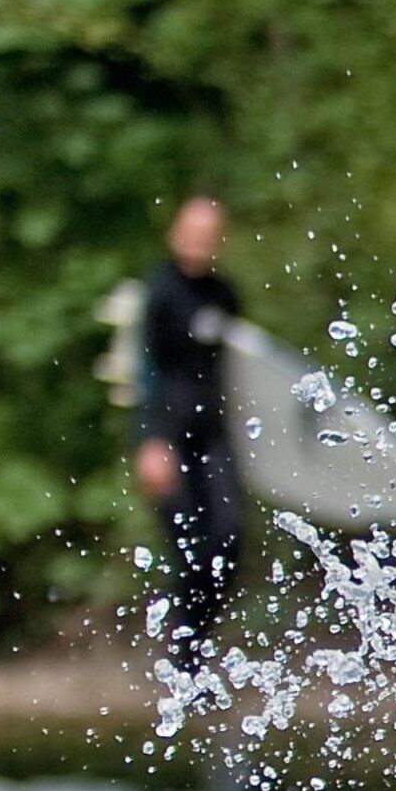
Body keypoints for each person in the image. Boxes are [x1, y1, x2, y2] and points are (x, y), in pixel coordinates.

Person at [132, 195, 245, 668]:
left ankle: (194, 649)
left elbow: (240, 372)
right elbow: (146, 372)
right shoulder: (160, 292)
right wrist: (151, 442)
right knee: (190, 549)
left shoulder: (226, 296)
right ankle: (182, 661)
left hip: (213, 436)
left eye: (209, 234)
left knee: (228, 540)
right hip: (168, 437)